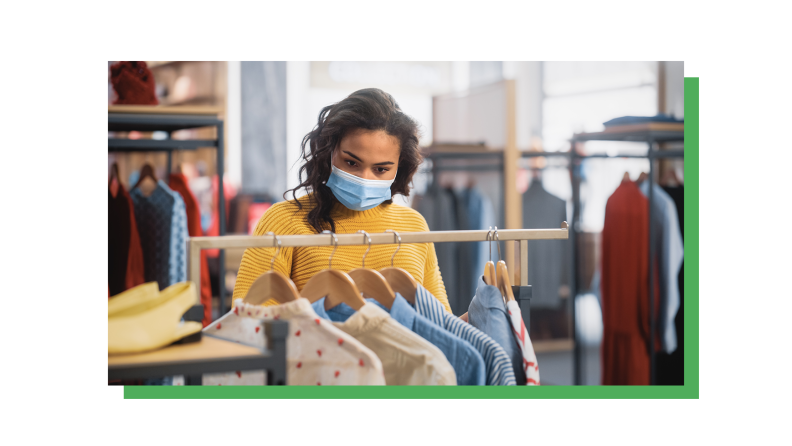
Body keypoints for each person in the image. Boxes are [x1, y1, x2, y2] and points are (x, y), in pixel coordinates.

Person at [232, 88, 451, 313]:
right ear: (329, 151)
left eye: (381, 169)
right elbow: (250, 319)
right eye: (351, 163)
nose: (365, 179)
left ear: (400, 166)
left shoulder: (414, 226)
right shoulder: (282, 222)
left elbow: (440, 323)